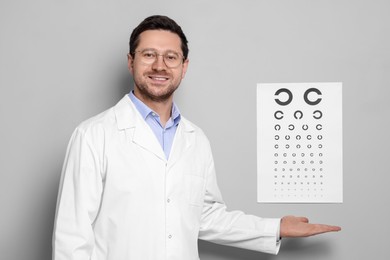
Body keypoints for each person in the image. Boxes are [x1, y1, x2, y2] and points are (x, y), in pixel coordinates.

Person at [52, 15, 341, 260]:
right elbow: (71, 237)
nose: (159, 66)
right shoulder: (93, 135)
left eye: (171, 57)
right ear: (131, 61)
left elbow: (204, 217)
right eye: (149, 54)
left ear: (184, 66)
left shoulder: (196, 140)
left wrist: (276, 227)